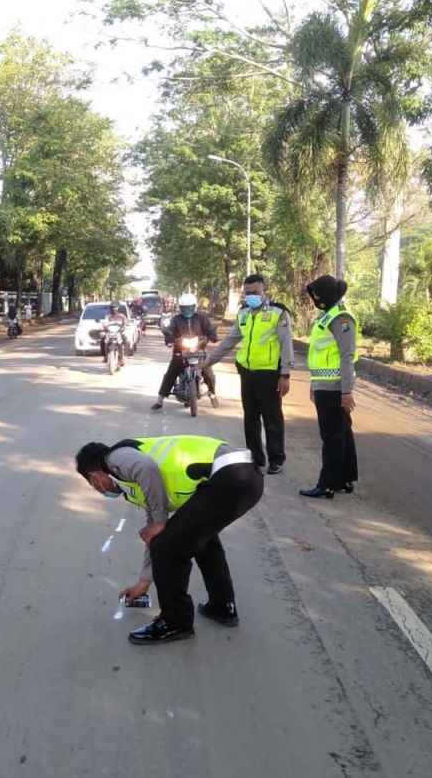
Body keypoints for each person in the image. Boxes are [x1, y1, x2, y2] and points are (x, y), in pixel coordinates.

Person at [75, 435, 264, 645]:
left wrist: (159, 522)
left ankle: (175, 622)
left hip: (231, 476)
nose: (98, 490)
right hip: (244, 477)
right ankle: (222, 606)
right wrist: (144, 582)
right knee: (199, 539)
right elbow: (153, 530)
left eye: (93, 485)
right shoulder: (132, 481)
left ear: (93, 477)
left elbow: (146, 468)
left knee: (167, 547)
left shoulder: (113, 459)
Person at [203, 274, 293, 475]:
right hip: (247, 372)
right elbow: (229, 341)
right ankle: (255, 457)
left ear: (264, 291)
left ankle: (276, 459)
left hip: (269, 373)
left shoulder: (279, 313)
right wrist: (209, 360)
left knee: (272, 418)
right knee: (250, 417)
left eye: (255, 293)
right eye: (248, 293)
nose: (251, 296)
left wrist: (285, 374)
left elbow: (286, 345)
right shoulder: (243, 313)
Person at [299, 275, 358, 499]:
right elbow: (319, 355)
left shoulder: (341, 319)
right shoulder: (327, 316)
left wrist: (346, 391)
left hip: (335, 388)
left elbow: (346, 356)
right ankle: (345, 479)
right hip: (325, 385)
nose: (314, 297)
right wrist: (314, 383)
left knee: (332, 436)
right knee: (342, 433)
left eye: (316, 293)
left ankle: (327, 484)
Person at [152, 293, 219, 410]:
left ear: (194, 307)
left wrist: (212, 336)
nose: (187, 309)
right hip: (180, 353)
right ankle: (160, 399)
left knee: (209, 374)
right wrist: (169, 339)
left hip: (199, 351)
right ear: (180, 308)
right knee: (170, 374)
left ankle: (212, 394)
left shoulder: (201, 318)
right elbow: (168, 331)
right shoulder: (175, 320)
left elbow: (210, 329)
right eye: (184, 308)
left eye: (189, 307)